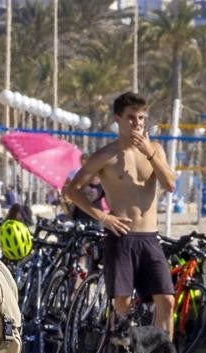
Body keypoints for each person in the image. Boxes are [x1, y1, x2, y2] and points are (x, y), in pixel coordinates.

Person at [64, 92, 177, 339]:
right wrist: (103, 217)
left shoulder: (156, 150)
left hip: (150, 237)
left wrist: (150, 153)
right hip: (121, 236)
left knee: (167, 301)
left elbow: (169, 184)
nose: (137, 124)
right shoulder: (107, 155)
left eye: (141, 119)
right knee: (123, 305)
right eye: (131, 118)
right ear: (118, 119)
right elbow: (71, 190)